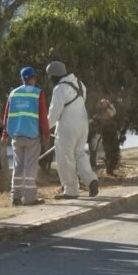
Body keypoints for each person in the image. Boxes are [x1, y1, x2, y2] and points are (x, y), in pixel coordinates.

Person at [46, 60, 99, 200]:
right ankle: (91, 180)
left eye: (50, 76)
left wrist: (44, 127)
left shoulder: (60, 88)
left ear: (54, 75)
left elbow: (54, 113)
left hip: (67, 126)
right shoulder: (80, 84)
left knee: (65, 157)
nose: (49, 79)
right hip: (83, 124)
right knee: (80, 154)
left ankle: (71, 190)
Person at [2, 67, 50, 206]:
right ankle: (29, 198)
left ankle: (15, 197)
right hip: (32, 136)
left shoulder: (13, 93)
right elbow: (43, 117)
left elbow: (6, 115)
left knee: (17, 166)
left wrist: (4, 134)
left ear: (22, 79)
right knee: (30, 166)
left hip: (16, 136)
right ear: (34, 78)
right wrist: (46, 135)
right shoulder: (37, 93)